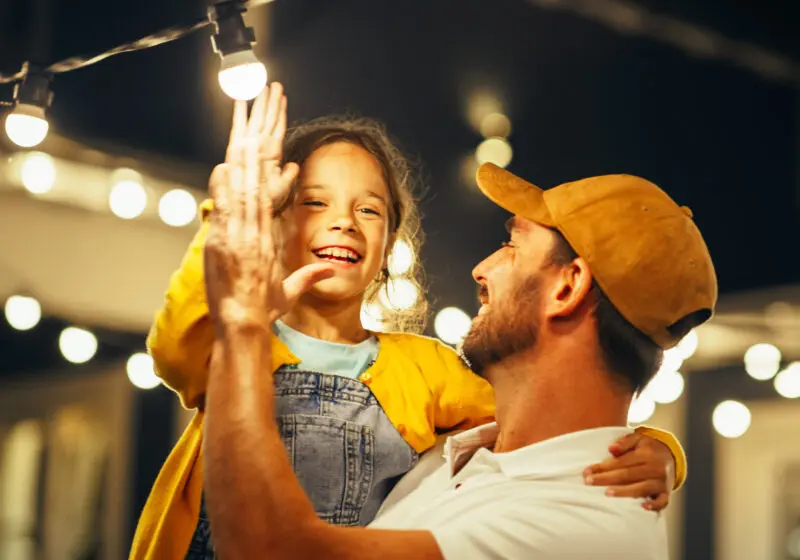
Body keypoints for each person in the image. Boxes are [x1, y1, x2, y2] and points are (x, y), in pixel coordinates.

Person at [130, 85, 687, 560]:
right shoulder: (228, 341)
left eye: (368, 210)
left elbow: (552, 422)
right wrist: (230, 224)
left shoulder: (424, 373)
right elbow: (177, 341)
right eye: (312, 203)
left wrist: (653, 449)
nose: (343, 222)